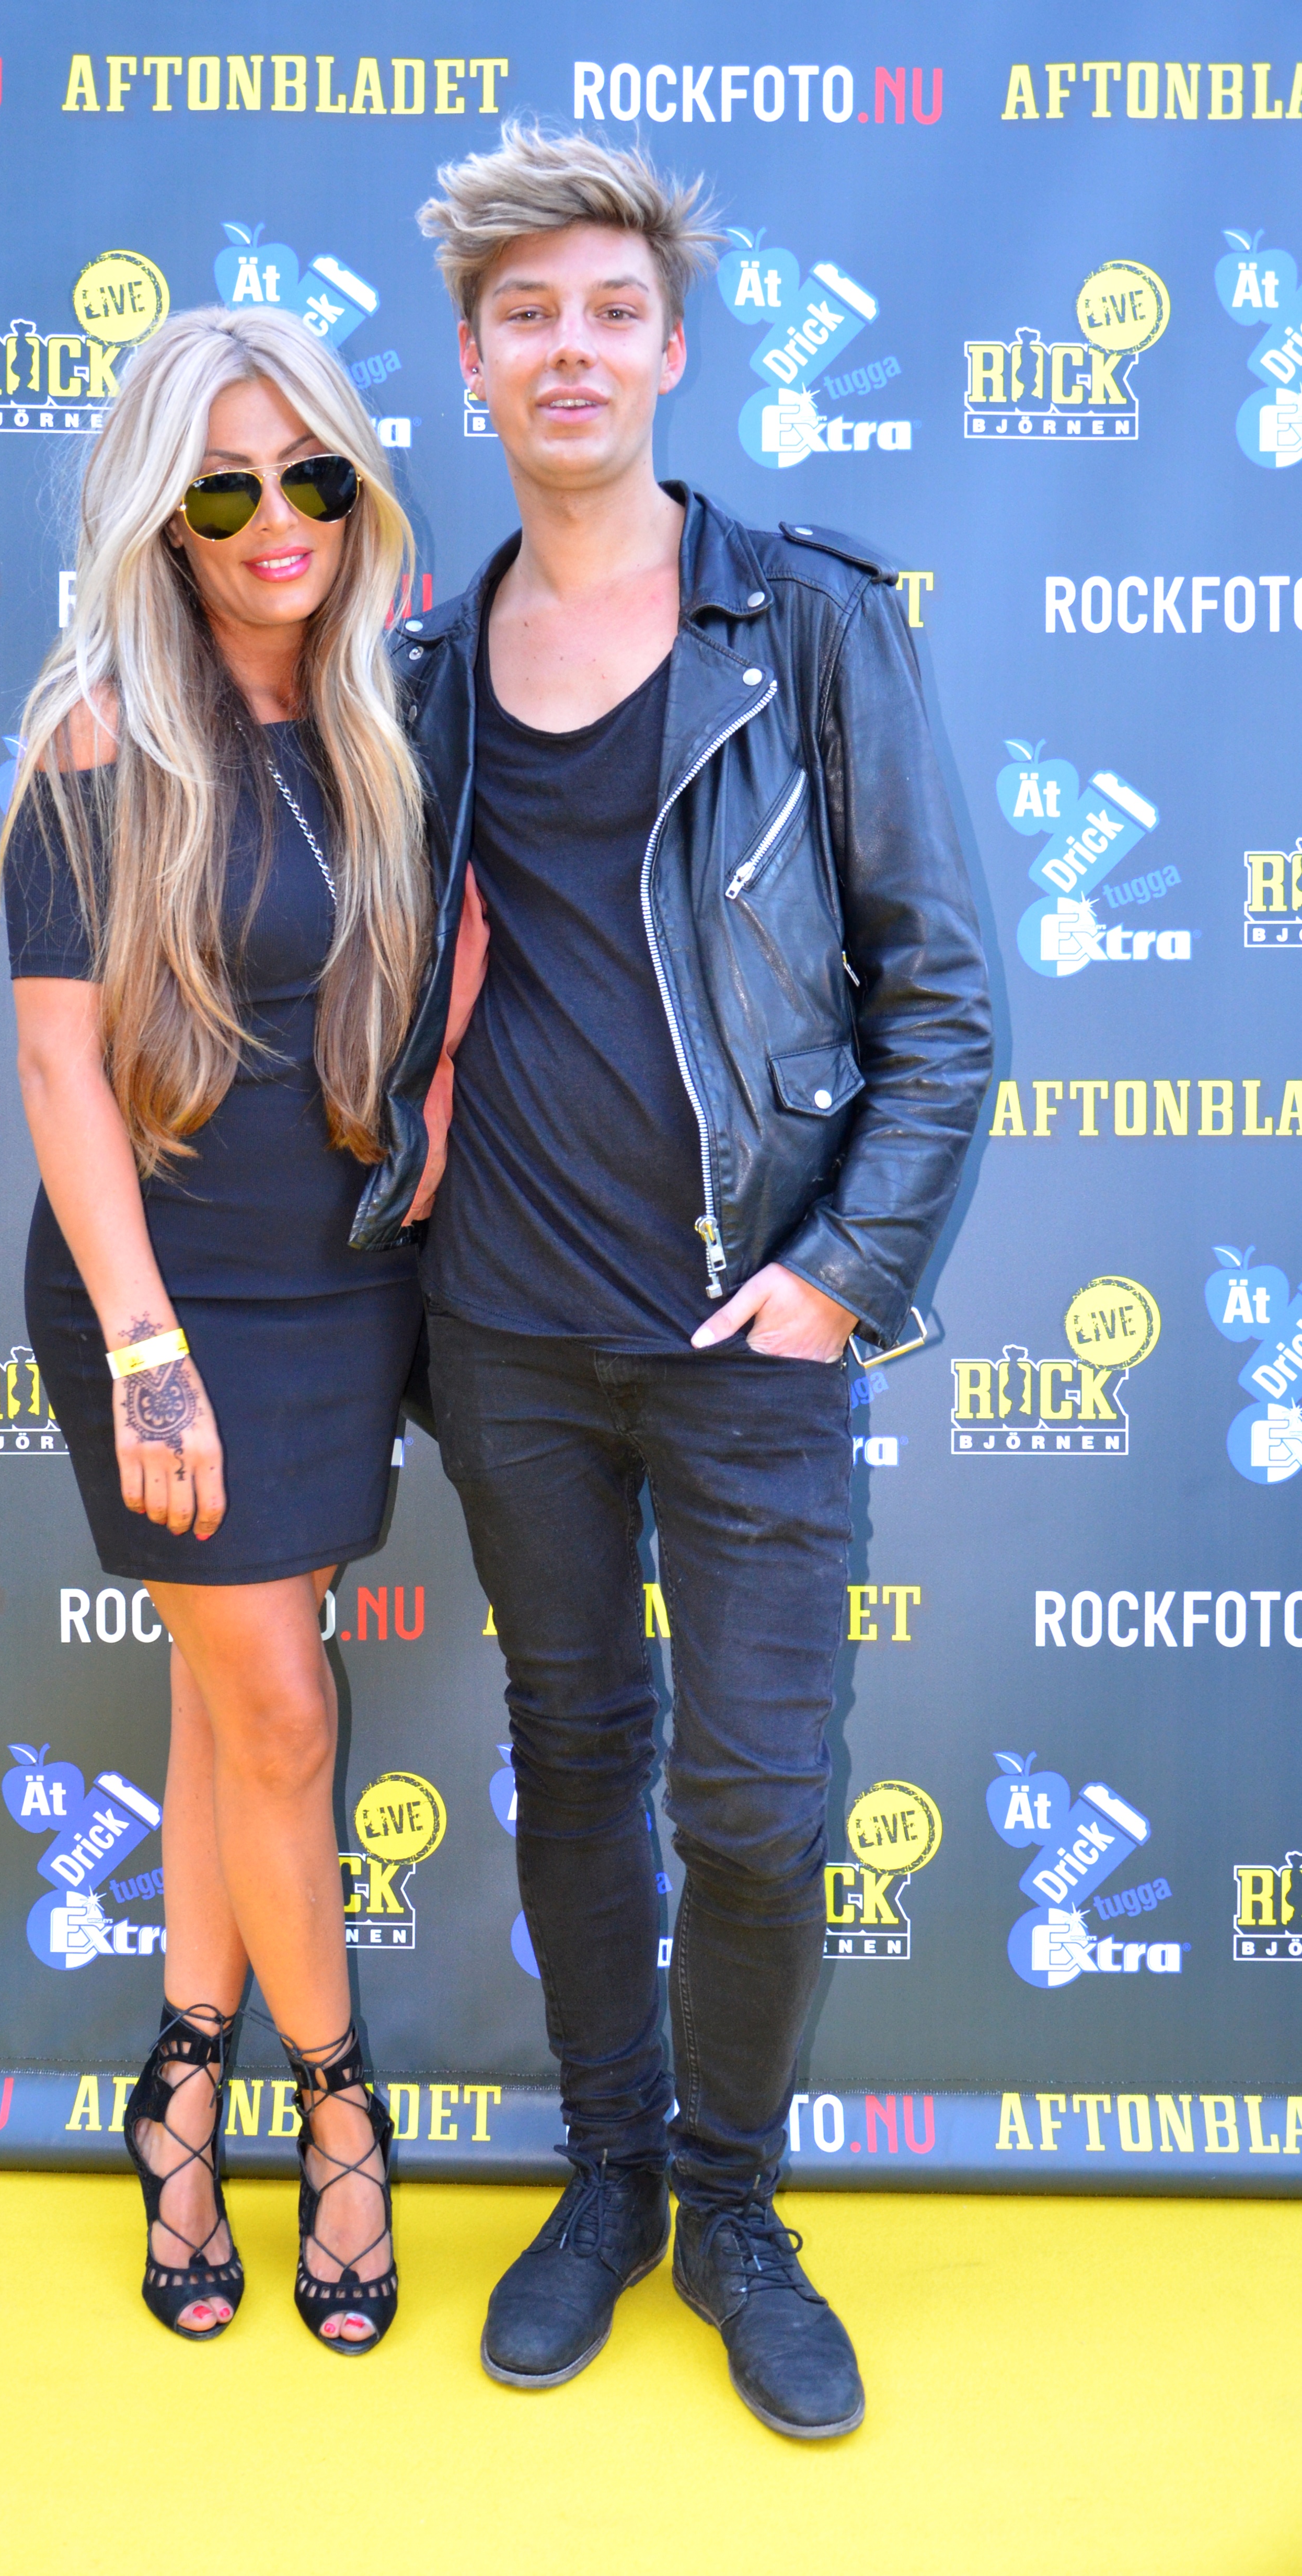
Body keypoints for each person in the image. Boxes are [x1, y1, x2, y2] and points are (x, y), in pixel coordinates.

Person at [347, 126, 993, 2434]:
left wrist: (842, 1275)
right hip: (507, 1337)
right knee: (575, 1754)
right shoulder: (422, 666)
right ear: (473, 361)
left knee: (755, 1797)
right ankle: (607, 2174)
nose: (571, 350)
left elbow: (944, 996)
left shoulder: (806, 625)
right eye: (526, 316)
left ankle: (733, 2200)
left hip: (750, 1337)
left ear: (673, 350)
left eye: (610, 312)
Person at [3, 304, 433, 2354]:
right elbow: (60, 1071)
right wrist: (146, 1351)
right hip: (159, 1302)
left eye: (313, 476)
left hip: (343, 1290)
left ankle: (179, 2077)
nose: (279, 519)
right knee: (280, 1716)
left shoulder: (382, 720)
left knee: (222, 1706)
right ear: (163, 516)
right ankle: (338, 2111)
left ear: (356, 490)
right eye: (227, 486)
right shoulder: (103, 735)